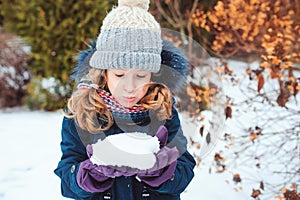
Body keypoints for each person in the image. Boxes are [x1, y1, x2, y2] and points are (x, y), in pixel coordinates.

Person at [54, 0, 196, 199]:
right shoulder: (81, 113)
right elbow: (66, 180)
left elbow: (185, 170)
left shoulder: (163, 110)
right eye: (119, 75)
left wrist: (162, 170)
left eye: (141, 76)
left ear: (153, 75)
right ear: (103, 72)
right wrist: (89, 174)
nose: (129, 88)